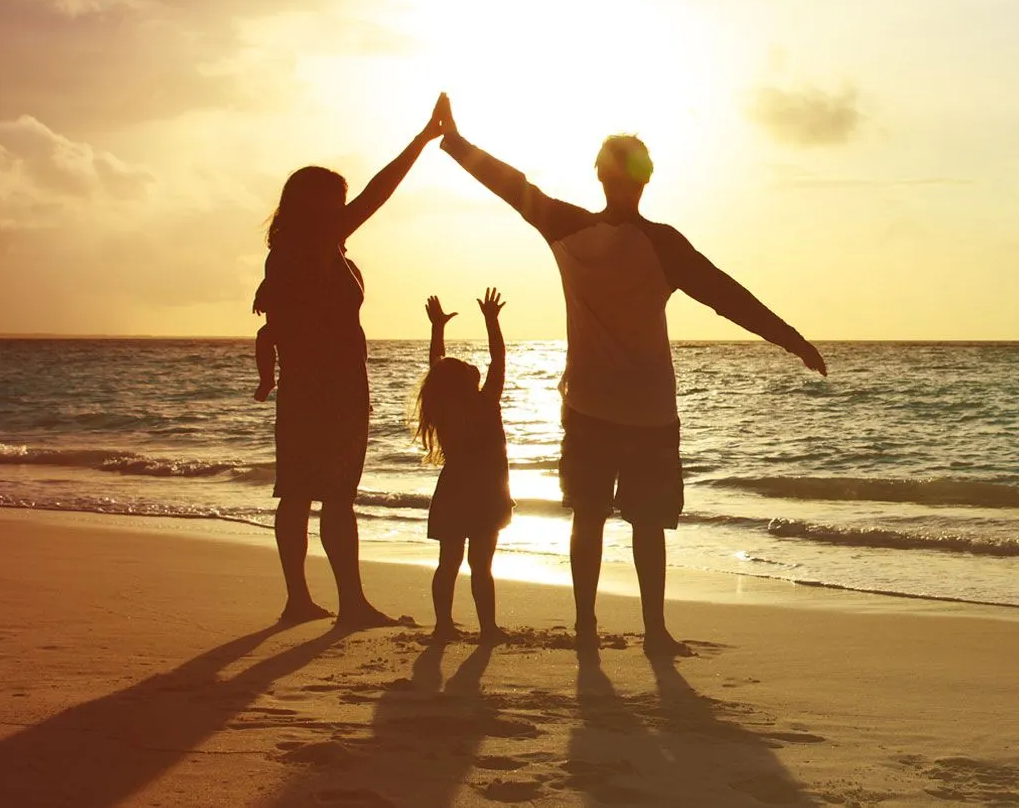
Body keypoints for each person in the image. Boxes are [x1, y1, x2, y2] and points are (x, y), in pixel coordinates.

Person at [440, 115, 826, 655]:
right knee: (644, 525)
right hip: (644, 410)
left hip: (598, 408)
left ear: (601, 175)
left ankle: (587, 628)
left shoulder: (567, 226)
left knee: (592, 520)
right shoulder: (657, 242)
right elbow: (728, 297)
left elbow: (511, 185)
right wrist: (793, 340)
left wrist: (455, 142)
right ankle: (651, 632)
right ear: (644, 178)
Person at [251, 93, 450, 628]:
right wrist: (422, 139)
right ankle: (350, 605)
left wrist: (271, 373)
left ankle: (301, 601)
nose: (345, 209)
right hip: (330, 389)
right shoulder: (315, 243)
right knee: (333, 497)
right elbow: (378, 194)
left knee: (299, 494)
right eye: (336, 201)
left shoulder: (292, 251)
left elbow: (273, 327)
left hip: (311, 388)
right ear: (316, 205)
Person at [413, 288, 514, 640]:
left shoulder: (444, 408)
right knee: (480, 567)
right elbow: (498, 360)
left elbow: (436, 365)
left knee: (450, 562)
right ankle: (488, 629)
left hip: (454, 493)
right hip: (486, 495)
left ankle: (444, 625)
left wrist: (437, 329)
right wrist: (491, 322)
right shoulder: (486, 403)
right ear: (465, 382)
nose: (474, 368)